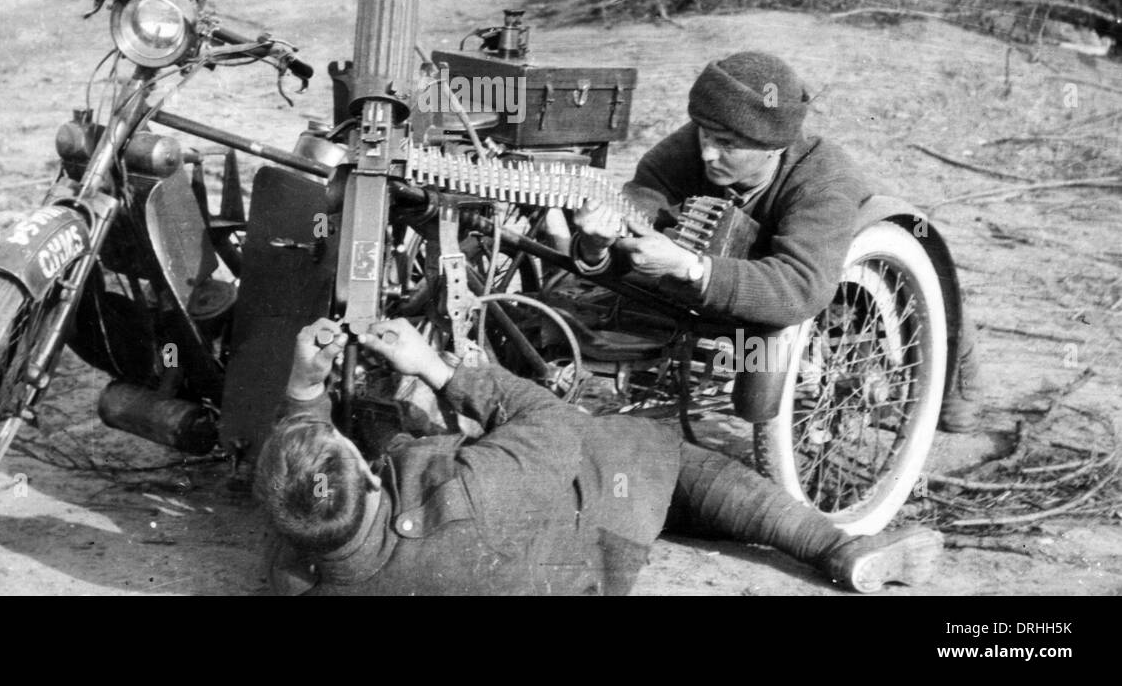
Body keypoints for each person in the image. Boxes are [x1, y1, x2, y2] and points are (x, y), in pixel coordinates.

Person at [254, 318, 943, 596]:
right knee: (672, 460)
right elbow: (550, 419)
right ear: (372, 480)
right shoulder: (470, 490)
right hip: (589, 535)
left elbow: (307, 488)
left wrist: (305, 387)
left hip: (517, 571)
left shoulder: (297, 574)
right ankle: (836, 549)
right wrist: (438, 370)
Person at [571, 50, 981, 433]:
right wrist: (598, 246)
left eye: (728, 145)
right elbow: (640, 216)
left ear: (775, 147)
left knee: (755, 397)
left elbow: (801, 289)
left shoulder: (823, 181)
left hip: (793, 276)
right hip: (722, 276)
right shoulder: (685, 150)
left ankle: (957, 389)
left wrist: (689, 266)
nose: (709, 154)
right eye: (706, 136)